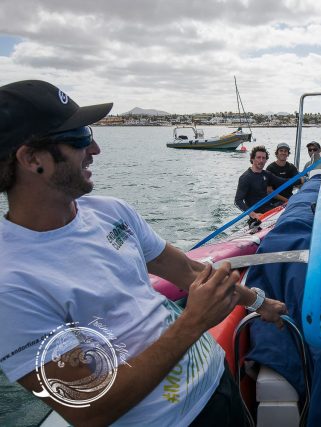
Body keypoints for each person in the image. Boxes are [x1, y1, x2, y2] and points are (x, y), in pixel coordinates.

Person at [0, 80, 287, 426]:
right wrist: (192, 322)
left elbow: (189, 271)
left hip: (217, 381)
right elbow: (91, 410)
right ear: (31, 159)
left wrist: (259, 303)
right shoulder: (10, 283)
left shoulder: (111, 212)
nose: (95, 148)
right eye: (78, 138)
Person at [235, 145, 288, 223]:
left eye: (263, 158)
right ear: (252, 159)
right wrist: (253, 214)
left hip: (270, 210)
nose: (261, 160)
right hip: (258, 216)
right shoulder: (245, 177)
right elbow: (237, 201)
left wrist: (300, 179)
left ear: (266, 160)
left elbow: (282, 181)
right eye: (258, 157)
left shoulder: (266, 174)